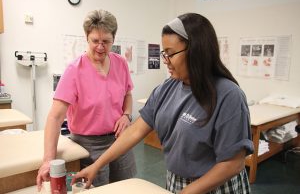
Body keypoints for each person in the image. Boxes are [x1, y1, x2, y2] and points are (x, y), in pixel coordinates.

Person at [72, 13, 254, 194]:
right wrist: (97, 165)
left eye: (170, 53)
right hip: (177, 181)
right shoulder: (168, 88)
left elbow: (233, 164)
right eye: (163, 53)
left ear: (196, 51)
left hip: (215, 186)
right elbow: (135, 131)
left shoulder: (228, 95)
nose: (165, 60)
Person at [36, 9, 136, 190]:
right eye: (95, 41)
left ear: (113, 39)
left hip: (120, 139)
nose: (100, 46)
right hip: (89, 144)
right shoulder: (75, 70)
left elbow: (127, 94)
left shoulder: (120, 63)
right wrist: (48, 160)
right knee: (97, 190)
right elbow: (55, 117)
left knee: (126, 187)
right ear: (87, 38)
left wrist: (127, 115)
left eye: (106, 41)